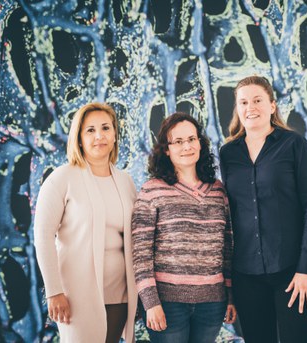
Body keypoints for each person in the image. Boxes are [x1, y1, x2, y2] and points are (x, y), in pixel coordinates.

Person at [219, 75, 307, 343]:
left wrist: (306, 269)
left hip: (292, 272)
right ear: (237, 108)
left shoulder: (294, 145)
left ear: (272, 106)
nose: (250, 107)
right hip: (247, 276)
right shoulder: (228, 154)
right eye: (243, 102)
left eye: (257, 100)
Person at [34, 102, 137, 342]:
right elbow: (42, 235)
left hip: (121, 295)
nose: (99, 136)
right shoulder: (62, 178)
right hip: (76, 297)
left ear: (114, 135)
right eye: (90, 130)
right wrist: (54, 291)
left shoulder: (125, 181)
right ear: (79, 138)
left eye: (105, 128)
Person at [132, 112, 236, 343]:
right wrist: (150, 302)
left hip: (212, 304)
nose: (186, 146)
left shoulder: (218, 190)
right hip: (168, 304)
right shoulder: (152, 191)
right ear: (166, 150)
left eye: (191, 139)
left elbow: (227, 248)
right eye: (178, 142)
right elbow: (140, 254)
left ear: (200, 143)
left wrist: (230, 296)